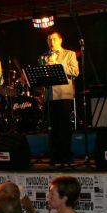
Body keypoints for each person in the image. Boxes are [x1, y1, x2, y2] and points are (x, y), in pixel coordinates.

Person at [39, 31, 79, 165]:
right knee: (52, 127)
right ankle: (54, 155)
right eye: (49, 40)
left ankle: (66, 155)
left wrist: (59, 66)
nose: (52, 42)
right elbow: (39, 77)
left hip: (64, 95)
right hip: (50, 96)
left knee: (64, 127)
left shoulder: (69, 54)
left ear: (60, 40)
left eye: (54, 39)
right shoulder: (43, 56)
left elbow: (75, 72)